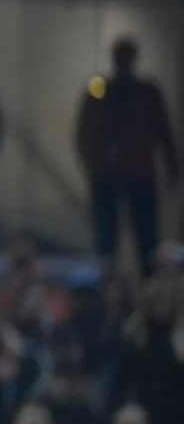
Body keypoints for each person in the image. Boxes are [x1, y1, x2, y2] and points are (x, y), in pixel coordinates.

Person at [76, 37, 178, 277]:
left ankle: (150, 286)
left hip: (137, 172)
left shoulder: (147, 92)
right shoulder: (100, 88)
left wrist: (172, 166)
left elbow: (163, 132)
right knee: (106, 238)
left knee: (145, 237)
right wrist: (91, 163)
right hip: (108, 175)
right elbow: (85, 128)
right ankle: (107, 282)